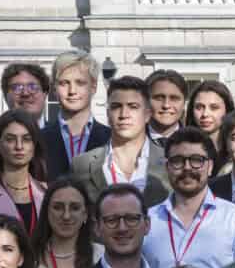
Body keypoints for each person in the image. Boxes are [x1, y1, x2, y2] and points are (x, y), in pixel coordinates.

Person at [142, 127, 235, 268]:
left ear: (210, 167)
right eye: (177, 161)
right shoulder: (147, 221)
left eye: (196, 160)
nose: (187, 168)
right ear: (167, 167)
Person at [72, 75, 169, 205]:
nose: (123, 115)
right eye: (116, 106)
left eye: (133, 106)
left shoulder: (170, 162)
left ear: (147, 115)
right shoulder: (81, 165)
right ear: (107, 114)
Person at [0, 110, 47, 235]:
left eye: (26, 139)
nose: (19, 146)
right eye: (11, 139)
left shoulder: (46, 192)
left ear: (34, 146)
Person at [43, 51, 110, 178]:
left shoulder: (111, 140)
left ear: (93, 87)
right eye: (64, 83)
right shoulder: (38, 140)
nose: (72, 91)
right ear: (54, 89)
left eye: (80, 83)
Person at [34, 174, 98, 268]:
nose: (66, 216)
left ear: (85, 214)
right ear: (46, 211)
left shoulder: (102, 256)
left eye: (75, 208)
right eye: (58, 207)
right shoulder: (30, 257)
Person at [144, 68, 190, 150]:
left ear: (184, 103)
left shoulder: (197, 142)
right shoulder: (129, 140)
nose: (166, 105)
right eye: (159, 98)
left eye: (174, 98)